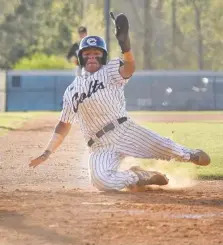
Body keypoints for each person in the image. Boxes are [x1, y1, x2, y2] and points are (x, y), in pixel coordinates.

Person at [29, 13, 210, 191]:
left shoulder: (110, 70)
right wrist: (47, 152)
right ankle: (138, 176)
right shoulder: (71, 91)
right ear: (81, 57)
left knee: (164, 147)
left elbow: (130, 67)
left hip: (124, 130)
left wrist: (125, 45)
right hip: (99, 146)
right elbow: (63, 124)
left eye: (96, 53)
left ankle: (189, 154)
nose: (92, 56)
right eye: (87, 53)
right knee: (101, 181)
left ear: (103, 56)